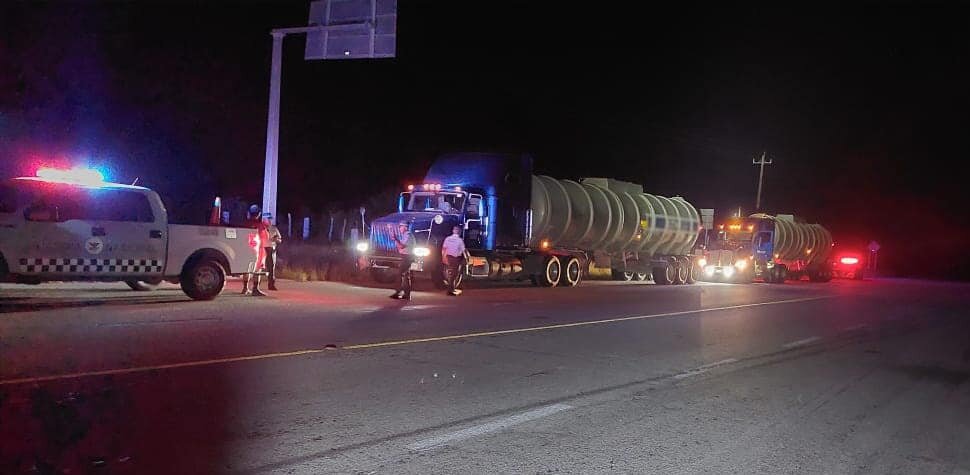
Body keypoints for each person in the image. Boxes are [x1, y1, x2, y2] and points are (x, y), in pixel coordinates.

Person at [241, 204, 269, 296]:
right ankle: (255, 289)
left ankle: (245, 288)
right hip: (259, 250)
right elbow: (265, 237)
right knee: (257, 270)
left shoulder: (245, 224)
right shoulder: (261, 225)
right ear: (259, 214)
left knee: (247, 269)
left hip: (247, 250)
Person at [390, 221, 415, 300]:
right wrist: (395, 239)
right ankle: (406, 294)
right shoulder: (405, 235)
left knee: (400, 274)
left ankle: (398, 292)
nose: (400, 228)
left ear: (405, 227)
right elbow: (400, 247)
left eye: (401, 226)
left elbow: (401, 246)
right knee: (405, 275)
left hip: (407, 257)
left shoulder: (407, 235)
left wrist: (395, 239)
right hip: (406, 256)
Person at [442, 225, 466, 296]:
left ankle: (452, 288)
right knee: (454, 274)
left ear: (453, 231)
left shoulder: (447, 238)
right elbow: (463, 250)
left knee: (451, 274)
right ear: (460, 232)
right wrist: (466, 258)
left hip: (448, 257)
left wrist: (443, 258)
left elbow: (444, 249)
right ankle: (450, 290)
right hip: (455, 258)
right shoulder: (460, 240)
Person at [263, 212, 282, 291]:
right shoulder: (261, 228)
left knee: (271, 268)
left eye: (270, 219)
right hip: (263, 249)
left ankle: (271, 284)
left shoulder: (274, 228)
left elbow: (280, 239)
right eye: (268, 219)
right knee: (260, 267)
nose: (269, 221)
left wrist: (276, 239)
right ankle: (255, 285)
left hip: (272, 249)